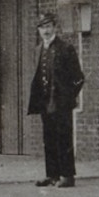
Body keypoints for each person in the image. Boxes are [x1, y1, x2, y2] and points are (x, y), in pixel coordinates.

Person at [28, 12, 85, 188]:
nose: (45, 30)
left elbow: (78, 78)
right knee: (49, 138)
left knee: (63, 138)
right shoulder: (38, 50)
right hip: (45, 102)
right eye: (42, 27)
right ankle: (51, 174)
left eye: (48, 26)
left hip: (61, 103)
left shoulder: (65, 48)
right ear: (38, 30)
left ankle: (67, 175)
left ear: (54, 27)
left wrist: (68, 97)